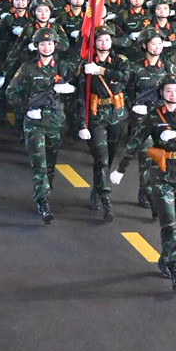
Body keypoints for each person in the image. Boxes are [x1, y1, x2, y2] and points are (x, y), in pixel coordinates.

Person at [112, 77, 176, 292]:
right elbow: (135, 142)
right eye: (168, 90)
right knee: (169, 226)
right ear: (161, 93)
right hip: (162, 177)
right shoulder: (153, 117)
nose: (173, 94)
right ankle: (174, 267)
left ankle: (166, 257)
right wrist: (121, 169)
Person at [7, 28, 77, 223]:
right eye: (42, 44)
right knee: (39, 162)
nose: (46, 47)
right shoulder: (27, 68)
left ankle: (46, 189)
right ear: (36, 46)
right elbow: (11, 92)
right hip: (34, 122)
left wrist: (71, 89)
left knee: (51, 163)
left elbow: (78, 90)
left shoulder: (63, 67)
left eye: (50, 43)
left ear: (55, 45)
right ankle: (42, 201)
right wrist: (25, 109)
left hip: (56, 121)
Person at [77, 26, 129, 221]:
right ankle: (106, 199)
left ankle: (97, 188)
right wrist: (82, 124)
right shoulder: (86, 64)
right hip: (96, 115)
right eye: (99, 40)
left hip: (115, 115)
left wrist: (100, 70)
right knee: (101, 157)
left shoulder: (120, 61)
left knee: (110, 156)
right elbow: (81, 96)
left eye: (107, 39)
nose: (103, 43)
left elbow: (125, 76)